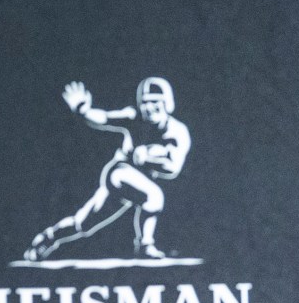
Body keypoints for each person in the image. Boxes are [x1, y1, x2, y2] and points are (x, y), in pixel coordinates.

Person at [24, 76, 191, 262]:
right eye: (145, 103)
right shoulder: (134, 117)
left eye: (155, 102)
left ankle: (48, 237)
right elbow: (104, 117)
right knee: (154, 197)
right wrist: (83, 110)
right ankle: (145, 245)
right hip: (120, 173)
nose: (149, 107)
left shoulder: (178, 132)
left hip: (138, 182)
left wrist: (149, 158)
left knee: (83, 224)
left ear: (167, 103)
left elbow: (173, 168)